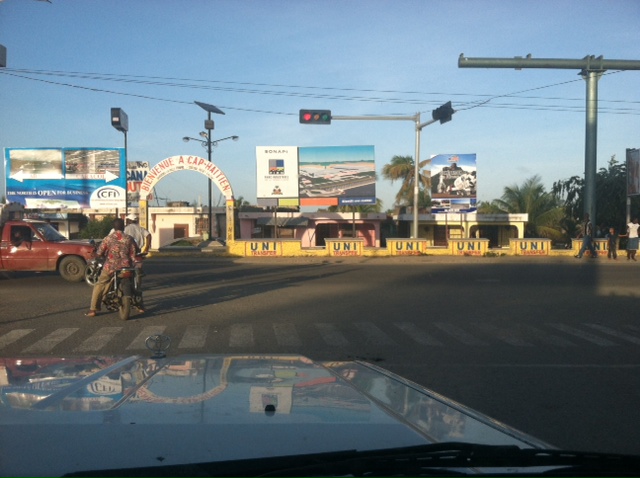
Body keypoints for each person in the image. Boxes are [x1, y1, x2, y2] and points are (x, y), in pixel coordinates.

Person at [85, 218, 137, 317]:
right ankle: (140, 306)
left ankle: (93, 310)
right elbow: (134, 252)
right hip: (126, 267)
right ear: (123, 227)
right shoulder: (129, 238)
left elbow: (99, 253)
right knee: (135, 283)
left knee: (99, 284)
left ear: (114, 227)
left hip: (110, 267)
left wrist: (95, 254)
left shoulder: (108, 238)